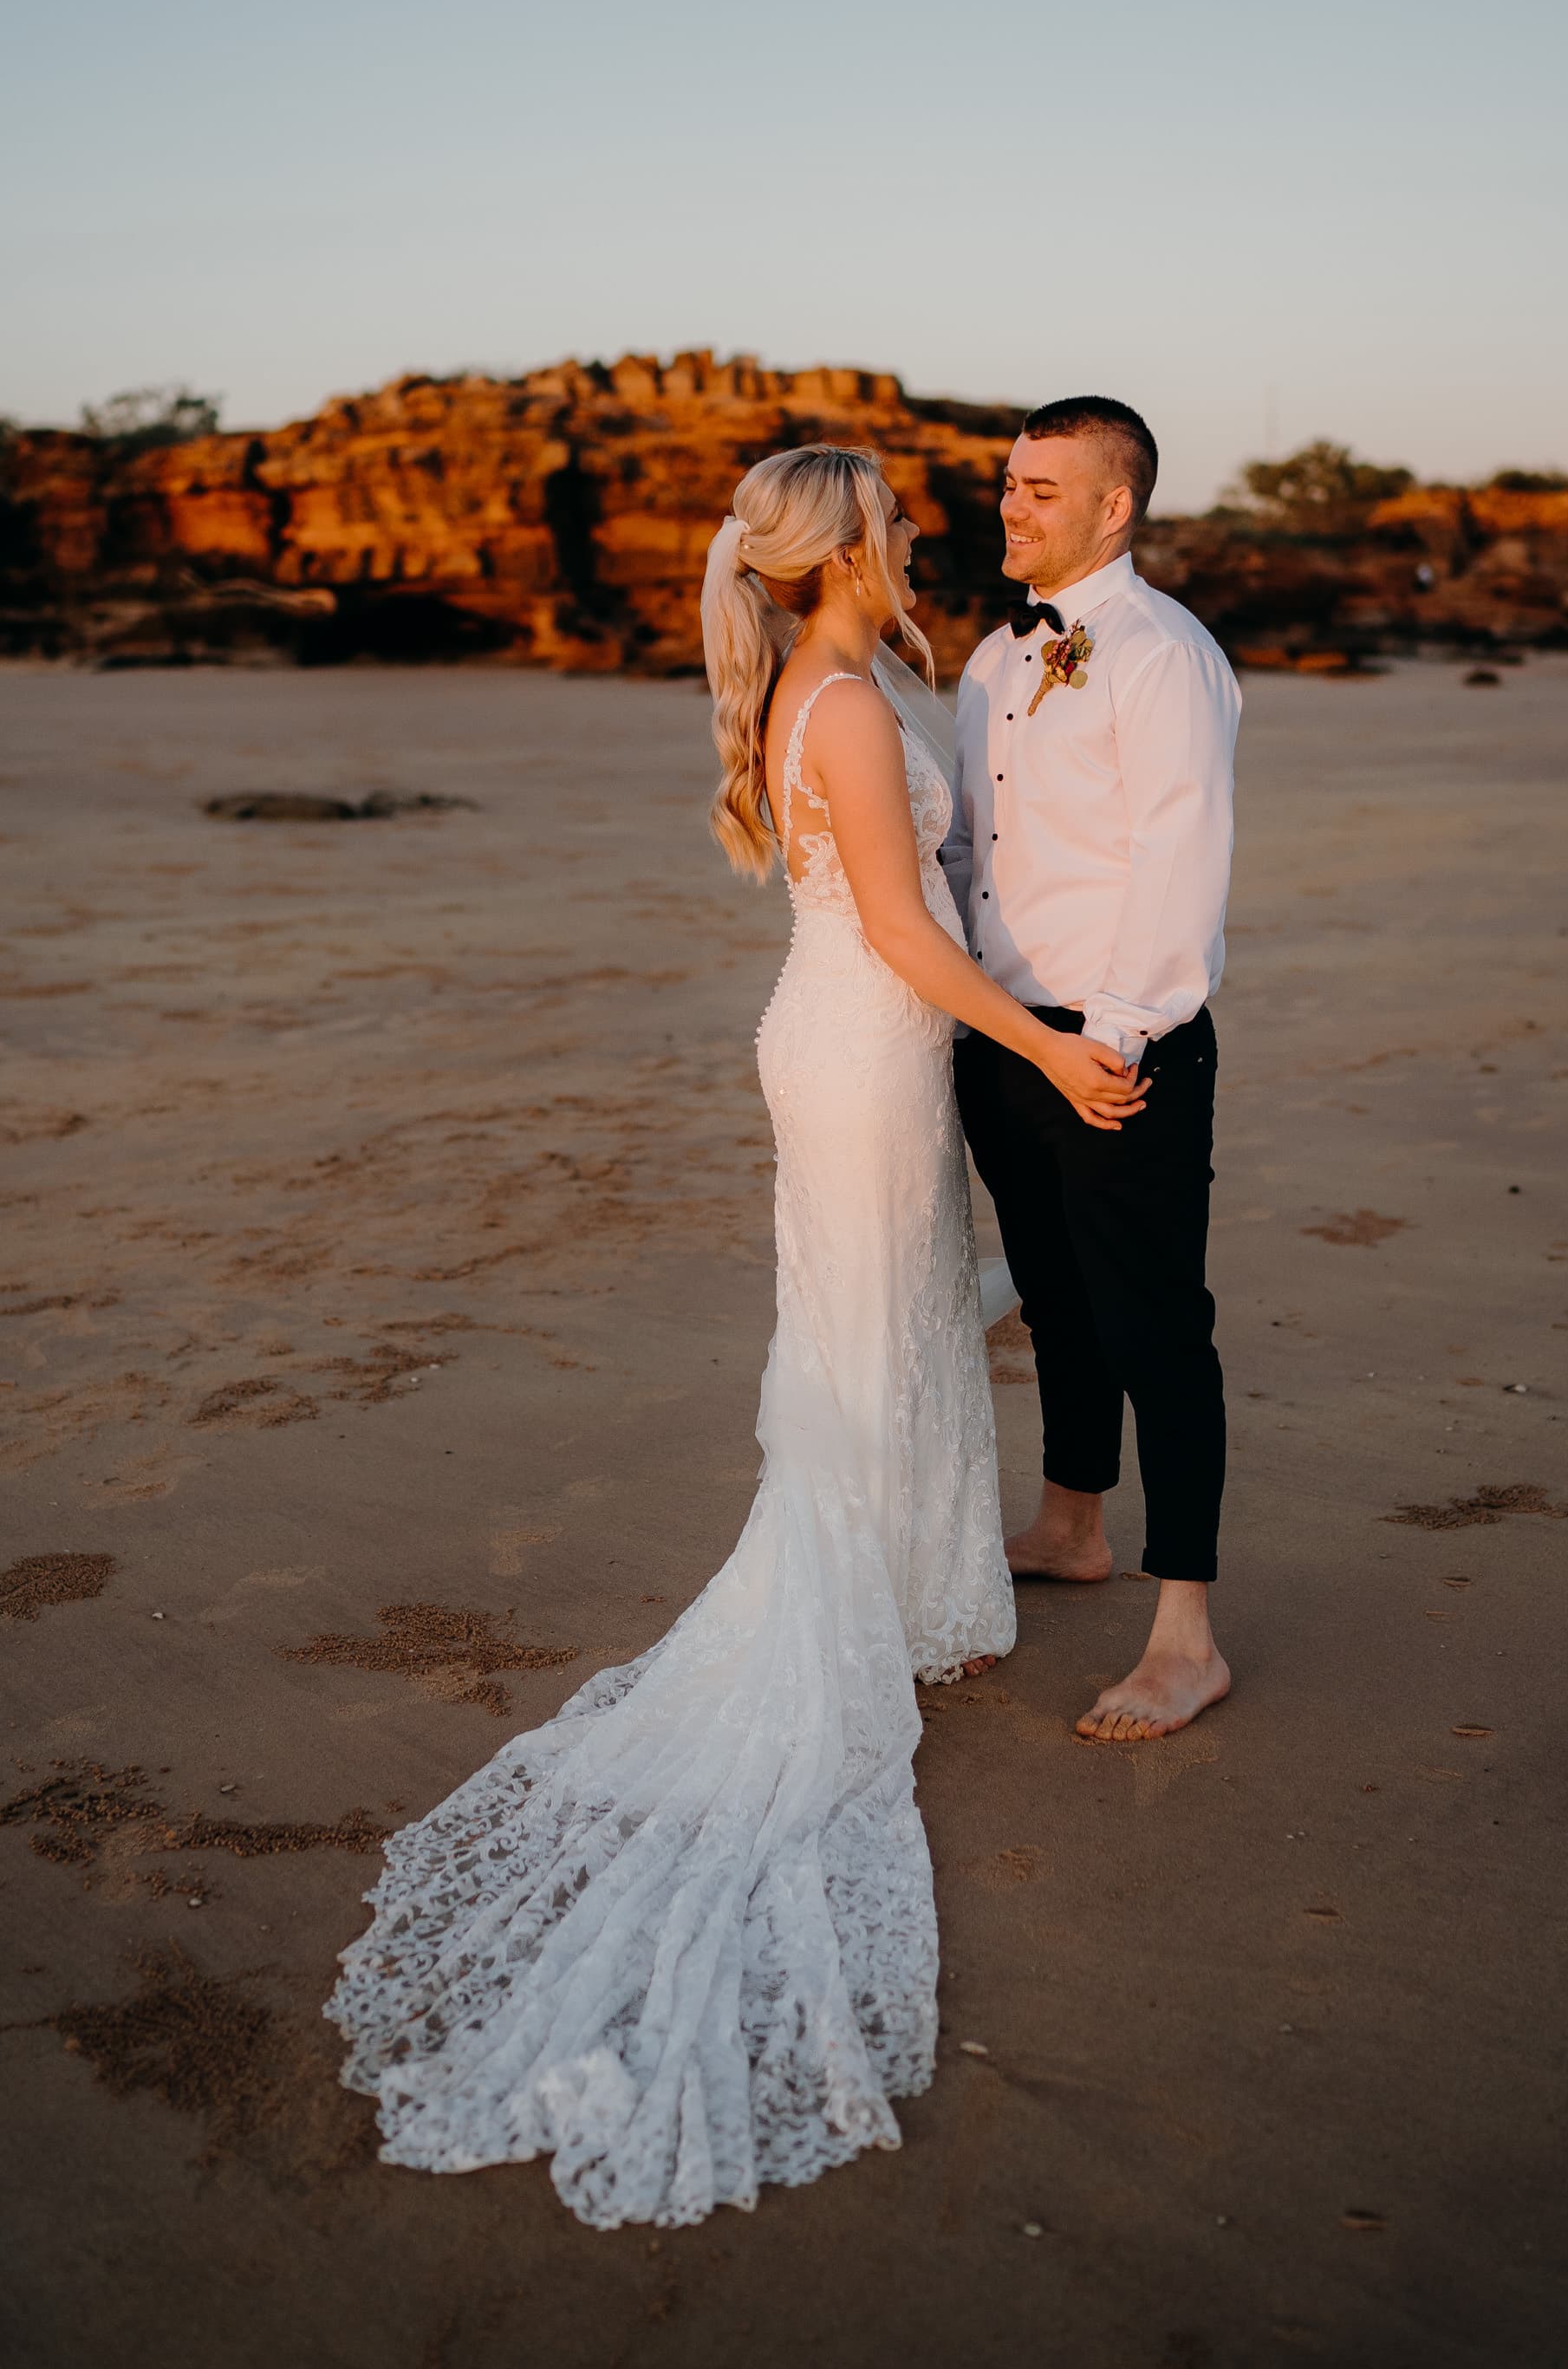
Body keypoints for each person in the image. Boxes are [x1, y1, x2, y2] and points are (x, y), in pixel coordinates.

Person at [325, 445, 1144, 2231]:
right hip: (864, 1049)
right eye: (901, 513)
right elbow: (914, 943)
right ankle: (857, 1608)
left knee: (897, 1321)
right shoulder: (841, 703)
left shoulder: (838, 682)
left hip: (855, 1042)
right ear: (844, 543)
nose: (922, 525)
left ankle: (918, 1589)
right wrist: (1051, 1049)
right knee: (870, 1328)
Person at [941, 396, 1241, 1743]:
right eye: (1009, 483)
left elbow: (1181, 860)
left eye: (1042, 490)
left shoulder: (1161, 654)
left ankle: (1187, 1636)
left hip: (1117, 1044)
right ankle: (1072, 1523)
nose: (1012, 506)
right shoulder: (989, 664)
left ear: (1115, 507)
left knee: (1154, 1325)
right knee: (1057, 1300)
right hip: (1005, 1037)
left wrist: (1103, 1044)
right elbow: (974, 853)